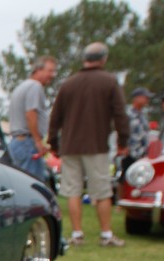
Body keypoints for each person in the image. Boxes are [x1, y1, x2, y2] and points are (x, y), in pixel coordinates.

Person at [47, 42, 129, 247]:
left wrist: (54, 143)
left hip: (70, 146)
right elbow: (120, 114)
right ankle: (106, 235)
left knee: (73, 191)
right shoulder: (109, 82)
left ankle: (77, 234)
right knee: (102, 191)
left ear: (84, 59)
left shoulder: (68, 84)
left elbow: (55, 117)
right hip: (96, 145)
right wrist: (123, 141)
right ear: (103, 59)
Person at [7, 55, 57, 181]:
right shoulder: (35, 86)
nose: (53, 75)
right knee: (33, 184)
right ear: (38, 70)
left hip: (17, 142)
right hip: (27, 143)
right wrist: (38, 142)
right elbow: (31, 114)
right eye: (50, 71)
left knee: (20, 183)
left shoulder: (22, 86)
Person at [122, 87, 152, 175]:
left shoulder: (143, 114)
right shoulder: (127, 113)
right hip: (129, 152)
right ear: (137, 98)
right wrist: (123, 146)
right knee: (126, 176)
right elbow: (121, 130)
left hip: (142, 153)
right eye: (145, 97)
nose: (147, 100)